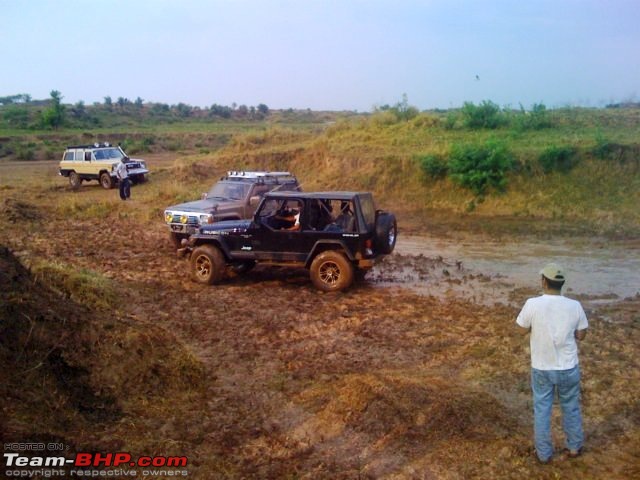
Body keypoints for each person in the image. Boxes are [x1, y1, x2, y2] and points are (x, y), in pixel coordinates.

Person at [516, 263, 588, 464]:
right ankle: (574, 447)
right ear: (562, 284)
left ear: (543, 282)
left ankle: (544, 454)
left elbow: (521, 329)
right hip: (568, 366)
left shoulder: (532, 304)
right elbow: (581, 335)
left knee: (542, 410)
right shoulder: (575, 306)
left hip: (542, 367)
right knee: (571, 407)